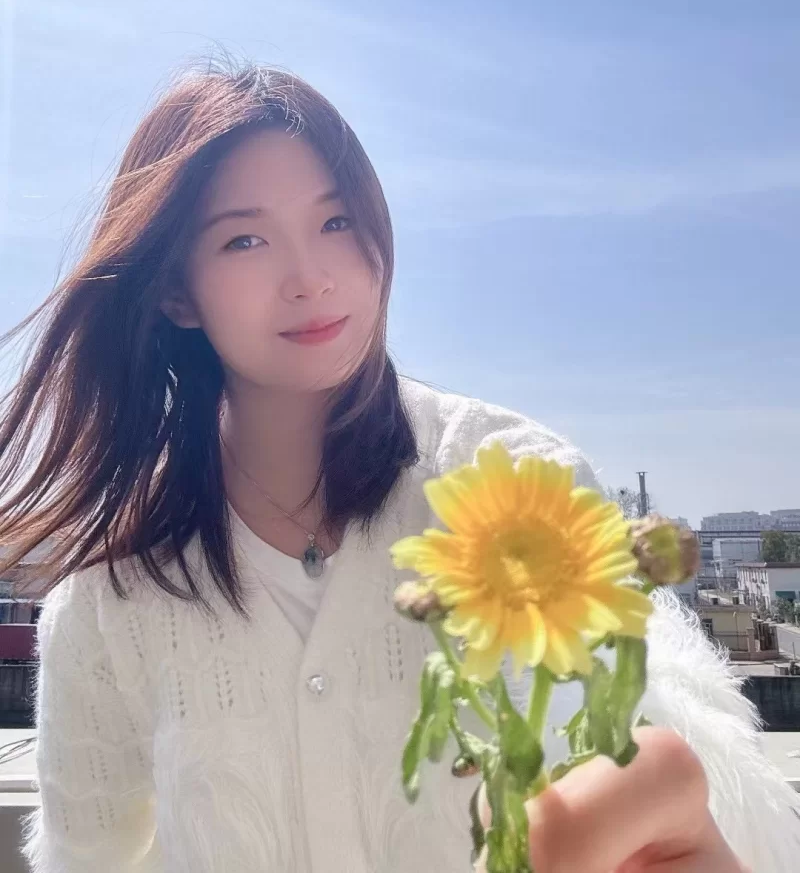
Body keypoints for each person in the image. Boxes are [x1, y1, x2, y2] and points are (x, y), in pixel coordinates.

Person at [0, 65, 796, 873]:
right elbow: (84, 857)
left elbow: (611, 756)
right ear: (176, 291)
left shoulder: (515, 482)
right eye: (245, 239)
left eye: (336, 221)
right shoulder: (112, 596)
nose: (311, 276)